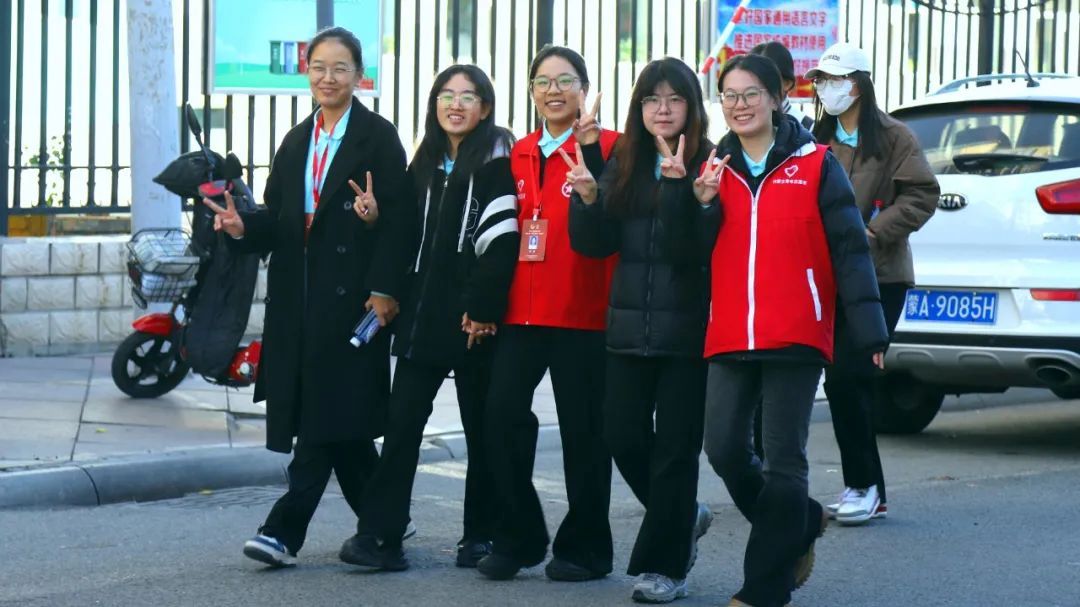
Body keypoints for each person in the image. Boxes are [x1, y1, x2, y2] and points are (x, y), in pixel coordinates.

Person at [662, 53, 888, 607]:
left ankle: (765, 587)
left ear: (776, 98)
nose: (739, 105)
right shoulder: (713, 167)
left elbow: (850, 249)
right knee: (722, 448)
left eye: (750, 94)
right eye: (730, 95)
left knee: (785, 457)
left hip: (796, 330)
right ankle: (799, 521)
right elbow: (686, 253)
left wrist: (870, 332)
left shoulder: (816, 163)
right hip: (730, 330)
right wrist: (697, 203)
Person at [207, 27, 413, 569]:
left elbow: (401, 224)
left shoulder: (378, 137)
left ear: (358, 76)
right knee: (342, 425)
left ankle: (282, 531)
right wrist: (242, 228)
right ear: (307, 72)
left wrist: (384, 283)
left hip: (355, 304)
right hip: (298, 302)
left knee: (323, 415)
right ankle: (385, 526)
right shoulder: (297, 141)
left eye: (340, 68)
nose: (328, 77)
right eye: (319, 67)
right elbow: (278, 220)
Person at [337, 64, 519, 570]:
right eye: (446, 95)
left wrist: (482, 309)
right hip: (422, 317)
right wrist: (375, 220)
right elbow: (402, 234)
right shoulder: (424, 162)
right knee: (401, 429)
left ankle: (479, 537)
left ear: (485, 107)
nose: (455, 105)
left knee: (481, 432)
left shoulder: (496, 161)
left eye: (467, 96)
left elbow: (501, 241)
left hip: (473, 322)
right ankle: (381, 537)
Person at [565, 57, 714, 603]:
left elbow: (691, 248)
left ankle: (665, 567)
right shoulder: (624, 159)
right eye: (652, 99)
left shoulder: (710, 160)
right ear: (640, 108)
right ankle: (683, 515)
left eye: (674, 99)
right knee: (621, 434)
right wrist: (587, 198)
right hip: (627, 327)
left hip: (689, 331)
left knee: (676, 450)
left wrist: (681, 191)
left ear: (691, 107)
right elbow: (595, 244)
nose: (663, 109)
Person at [476, 45, 619, 582]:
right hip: (521, 313)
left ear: (584, 88)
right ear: (531, 91)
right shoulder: (516, 154)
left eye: (565, 80)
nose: (553, 91)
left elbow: (614, 223)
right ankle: (519, 535)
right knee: (499, 417)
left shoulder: (612, 148)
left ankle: (587, 548)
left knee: (585, 434)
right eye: (542, 81)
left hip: (584, 312)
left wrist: (592, 155)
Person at [807, 42, 939, 525]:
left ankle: (863, 486)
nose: (827, 88)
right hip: (828, 276)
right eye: (821, 80)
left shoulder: (893, 136)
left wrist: (873, 232)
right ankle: (865, 487)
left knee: (850, 375)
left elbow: (922, 193)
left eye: (835, 79)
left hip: (880, 276)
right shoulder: (815, 137)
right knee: (839, 380)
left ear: (858, 84)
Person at [751, 41, 814, 131]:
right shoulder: (742, 122)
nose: (755, 87)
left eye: (765, 79)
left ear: (787, 83)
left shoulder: (807, 127)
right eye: (750, 79)